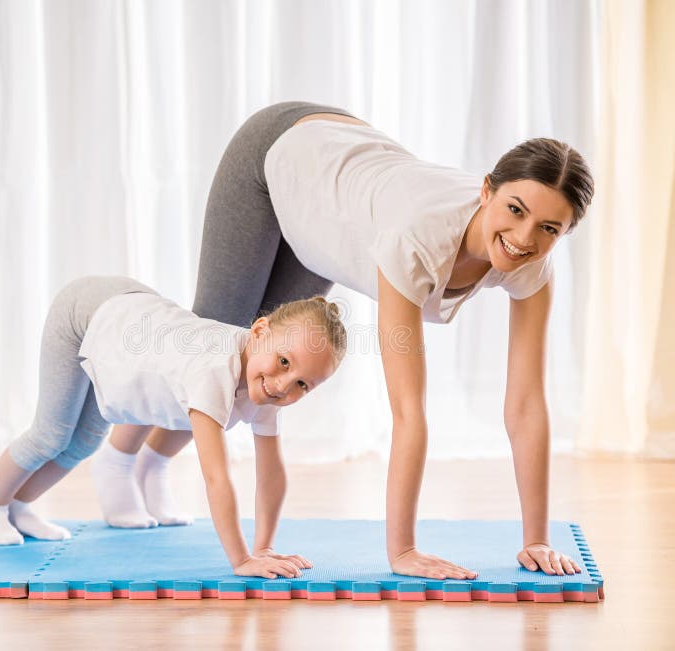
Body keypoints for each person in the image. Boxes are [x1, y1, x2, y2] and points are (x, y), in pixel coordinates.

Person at [128, 101, 594, 581]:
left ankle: (148, 465)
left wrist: (536, 538)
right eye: (514, 210)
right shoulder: (417, 236)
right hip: (283, 153)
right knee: (214, 345)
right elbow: (408, 409)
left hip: (333, 207)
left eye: (548, 229)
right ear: (485, 190)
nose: (523, 237)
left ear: (564, 233)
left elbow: (526, 403)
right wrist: (404, 551)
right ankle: (129, 462)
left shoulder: (534, 263)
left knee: (248, 367)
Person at [0, 275, 347, 580]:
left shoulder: (264, 383)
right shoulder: (214, 370)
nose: (284, 385)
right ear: (260, 331)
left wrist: (264, 546)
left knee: (82, 442)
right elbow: (216, 477)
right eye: (284, 362)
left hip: (133, 313)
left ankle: (18, 506)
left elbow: (271, 474)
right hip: (88, 311)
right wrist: (242, 559)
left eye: (303, 384)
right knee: (51, 434)